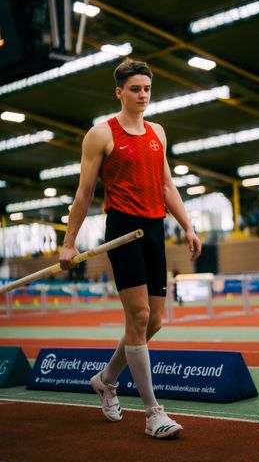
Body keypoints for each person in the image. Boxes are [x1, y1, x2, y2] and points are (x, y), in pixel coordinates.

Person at [60, 58, 202, 439]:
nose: (142, 95)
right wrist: (69, 242)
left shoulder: (158, 131)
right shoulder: (100, 135)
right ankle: (153, 412)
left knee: (153, 322)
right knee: (137, 317)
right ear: (119, 92)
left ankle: (106, 379)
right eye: (135, 89)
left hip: (155, 228)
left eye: (147, 89)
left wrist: (187, 225)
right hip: (123, 229)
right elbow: (85, 192)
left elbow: (167, 185)